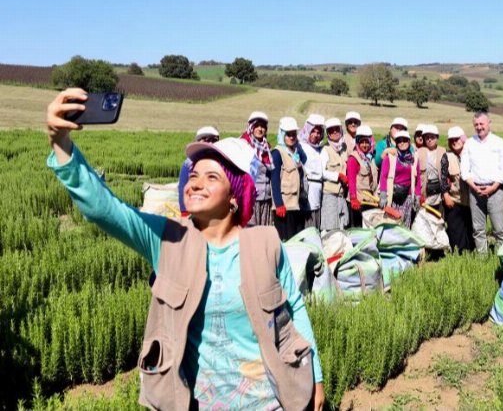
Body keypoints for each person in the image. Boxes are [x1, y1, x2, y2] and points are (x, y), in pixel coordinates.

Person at [46, 89, 325, 410]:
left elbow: (295, 308)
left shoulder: (265, 242)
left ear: (235, 195)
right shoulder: (169, 240)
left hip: (265, 402)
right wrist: (61, 144)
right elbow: (104, 209)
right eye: (193, 175)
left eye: (211, 177)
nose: (194, 183)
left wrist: (315, 377)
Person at [460, 112, 503, 254]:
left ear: (489, 123)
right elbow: (464, 169)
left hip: (495, 190)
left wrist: (493, 187)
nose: (479, 127)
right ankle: (482, 258)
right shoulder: (469, 143)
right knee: (478, 229)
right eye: (476, 124)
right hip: (475, 190)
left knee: (499, 229)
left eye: (482, 123)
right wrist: (474, 187)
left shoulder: (499, 142)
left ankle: (501, 256)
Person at [271, 117, 308, 240]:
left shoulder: (295, 152)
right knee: (286, 240)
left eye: (294, 134)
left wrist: (298, 147)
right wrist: (279, 204)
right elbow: (275, 179)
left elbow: (305, 159)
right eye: (288, 134)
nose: (291, 137)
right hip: (285, 206)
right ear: (282, 134)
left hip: (296, 204)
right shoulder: (277, 153)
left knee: (296, 239)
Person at [440, 126, 474, 253]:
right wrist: (446, 195)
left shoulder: (471, 154)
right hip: (454, 200)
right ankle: (459, 257)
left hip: (472, 201)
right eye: (451, 139)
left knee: (471, 232)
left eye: (457, 139)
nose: (454, 141)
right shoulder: (447, 156)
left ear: (463, 139)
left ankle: (471, 255)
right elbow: (442, 178)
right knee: (456, 234)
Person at [379, 130, 422, 227]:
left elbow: (418, 178)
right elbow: (383, 176)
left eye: (404, 140)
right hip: (392, 197)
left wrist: (418, 196)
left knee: (404, 225)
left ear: (409, 142)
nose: (402, 143)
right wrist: (383, 194)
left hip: (407, 197)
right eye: (399, 141)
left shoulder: (414, 159)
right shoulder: (390, 158)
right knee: (391, 224)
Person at [241, 111, 274, 226]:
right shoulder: (243, 145)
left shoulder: (267, 148)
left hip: (265, 199)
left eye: (263, 126)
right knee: (250, 234)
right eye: (257, 126)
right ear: (251, 127)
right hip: (249, 199)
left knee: (263, 233)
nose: (260, 129)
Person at [179, 126, 219, 214]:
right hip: (195, 207)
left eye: (214, 140)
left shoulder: (220, 162)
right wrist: (184, 212)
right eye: (206, 139)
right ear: (199, 141)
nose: (210, 143)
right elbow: (183, 188)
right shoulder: (189, 163)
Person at [320, 118, 349, 231]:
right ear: (328, 134)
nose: (335, 132)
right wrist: (338, 176)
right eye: (331, 130)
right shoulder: (325, 150)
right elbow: (321, 172)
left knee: (343, 224)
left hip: (341, 195)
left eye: (337, 129)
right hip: (330, 195)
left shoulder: (343, 149)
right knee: (331, 227)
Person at [347, 125, 379, 227]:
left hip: (369, 201)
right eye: (362, 142)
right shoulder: (353, 158)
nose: (364, 145)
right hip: (358, 201)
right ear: (357, 143)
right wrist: (353, 198)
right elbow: (351, 180)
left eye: (367, 142)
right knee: (358, 230)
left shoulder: (370, 158)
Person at [300, 114, 326, 229]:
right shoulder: (301, 146)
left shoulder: (320, 148)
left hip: (319, 188)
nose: (316, 135)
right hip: (308, 188)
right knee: (308, 221)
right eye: (313, 131)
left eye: (319, 132)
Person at [418, 125, 445, 211]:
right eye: (427, 137)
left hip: (439, 194)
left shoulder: (443, 151)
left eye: (432, 137)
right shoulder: (419, 152)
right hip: (425, 192)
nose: (429, 139)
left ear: (437, 138)